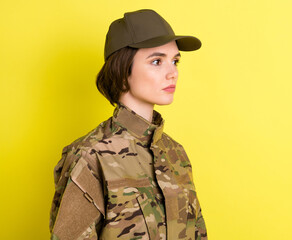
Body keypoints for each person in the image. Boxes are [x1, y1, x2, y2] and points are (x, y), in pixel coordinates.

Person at [49, 9, 207, 240]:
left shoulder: (176, 154)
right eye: (156, 61)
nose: (172, 72)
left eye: (175, 61)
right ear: (123, 70)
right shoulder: (90, 156)